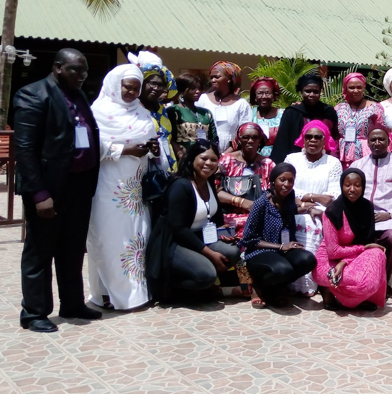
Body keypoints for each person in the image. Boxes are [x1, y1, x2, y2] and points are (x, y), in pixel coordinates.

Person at [14, 49, 102, 332]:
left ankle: (72, 303)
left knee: (73, 249)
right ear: (57, 68)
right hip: (49, 188)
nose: (82, 75)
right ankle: (34, 312)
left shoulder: (79, 95)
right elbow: (25, 151)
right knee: (40, 251)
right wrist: (39, 194)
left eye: (85, 71)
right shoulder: (33, 95)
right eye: (76, 70)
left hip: (79, 186)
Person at [87, 65, 159, 311]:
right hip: (107, 187)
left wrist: (153, 150)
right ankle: (106, 294)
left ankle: (134, 294)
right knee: (108, 238)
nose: (131, 92)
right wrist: (126, 149)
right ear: (115, 84)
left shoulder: (141, 112)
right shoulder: (97, 112)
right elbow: (90, 145)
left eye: (136, 88)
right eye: (127, 86)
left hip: (135, 188)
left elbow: (151, 140)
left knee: (135, 239)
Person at [146, 140, 241, 299]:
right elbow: (178, 230)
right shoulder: (181, 186)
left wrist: (225, 233)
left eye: (213, 160)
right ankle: (171, 287)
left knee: (232, 252)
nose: (209, 163)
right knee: (206, 275)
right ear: (192, 160)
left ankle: (206, 285)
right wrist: (210, 254)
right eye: (204, 159)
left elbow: (215, 218)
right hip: (174, 243)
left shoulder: (209, 183)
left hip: (200, 237)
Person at [240, 163, 317, 308]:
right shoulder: (261, 203)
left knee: (308, 260)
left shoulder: (289, 197)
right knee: (283, 269)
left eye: (290, 181)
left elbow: (293, 210)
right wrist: (281, 246)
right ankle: (259, 286)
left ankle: (276, 288)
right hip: (260, 251)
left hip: (283, 249)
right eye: (282, 180)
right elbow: (249, 238)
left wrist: (310, 209)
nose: (286, 184)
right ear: (273, 181)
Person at [351, 127, 392, 292]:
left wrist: (391, 214)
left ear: (389, 142)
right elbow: (347, 194)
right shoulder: (358, 165)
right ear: (368, 142)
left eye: (381, 139)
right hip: (362, 217)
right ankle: (356, 279)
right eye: (373, 140)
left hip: (390, 217)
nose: (377, 143)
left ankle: (383, 279)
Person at [313, 168, 387, 311]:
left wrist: (344, 262)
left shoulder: (366, 207)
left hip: (350, 260)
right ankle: (329, 289)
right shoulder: (332, 211)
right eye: (347, 185)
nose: (352, 189)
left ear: (363, 186)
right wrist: (361, 249)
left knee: (378, 254)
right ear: (341, 186)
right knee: (361, 281)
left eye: (357, 185)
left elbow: (369, 244)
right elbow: (333, 251)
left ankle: (353, 296)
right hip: (328, 262)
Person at [285, 121, 342, 296]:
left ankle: (309, 284)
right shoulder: (292, 159)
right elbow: (286, 189)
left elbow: (332, 196)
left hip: (320, 211)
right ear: (303, 138)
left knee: (315, 223)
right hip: (294, 208)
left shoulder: (333, 162)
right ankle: (290, 283)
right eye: (308, 136)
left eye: (318, 137)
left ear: (325, 140)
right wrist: (311, 199)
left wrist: (308, 201)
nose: (313, 140)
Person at [216, 123, 276, 237]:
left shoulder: (268, 164)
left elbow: (273, 193)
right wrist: (242, 202)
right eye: (246, 137)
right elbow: (215, 191)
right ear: (239, 139)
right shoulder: (226, 161)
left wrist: (258, 205)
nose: (250, 141)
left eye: (255, 137)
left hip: (258, 214)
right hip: (229, 215)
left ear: (260, 140)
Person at [269, 73, 339, 163]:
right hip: (297, 161)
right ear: (301, 92)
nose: (312, 94)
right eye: (308, 91)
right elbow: (282, 141)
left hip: (324, 160)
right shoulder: (292, 112)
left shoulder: (328, 112)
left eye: (316, 92)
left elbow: (334, 136)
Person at [129, 50, 178, 172]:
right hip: (144, 170)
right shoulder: (133, 108)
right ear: (142, 83)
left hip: (168, 169)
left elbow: (167, 138)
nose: (156, 88)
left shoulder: (161, 108)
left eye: (160, 85)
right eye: (152, 83)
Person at [195, 61, 251, 152]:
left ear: (229, 79)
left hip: (230, 155)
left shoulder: (241, 104)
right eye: (211, 77)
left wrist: (225, 155)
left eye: (217, 77)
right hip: (203, 152)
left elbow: (243, 133)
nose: (212, 80)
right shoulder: (203, 99)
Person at [335, 72, 385, 168]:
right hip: (342, 153)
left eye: (359, 87)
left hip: (366, 152)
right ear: (346, 88)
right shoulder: (338, 108)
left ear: (364, 88)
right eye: (351, 87)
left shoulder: (374, 107)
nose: (355, 90)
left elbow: (381, 130)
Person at [168, 72, 217, 160]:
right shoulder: (174, 111)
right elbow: (171, 137)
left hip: (203, 157)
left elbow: (213, 138)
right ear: (183, 90)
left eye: (199, 88)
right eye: (193, 88)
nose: (198, 91)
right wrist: (180, 154)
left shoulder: (206, 113)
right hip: (182, 158)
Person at [249, 77, 282, 157]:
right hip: (254, 158)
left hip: (278, 157)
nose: (264, 96)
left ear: (274, 96)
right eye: (260, 93)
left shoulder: (283, 114)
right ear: (255, 97)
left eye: (267, 93)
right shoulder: (250, 114)